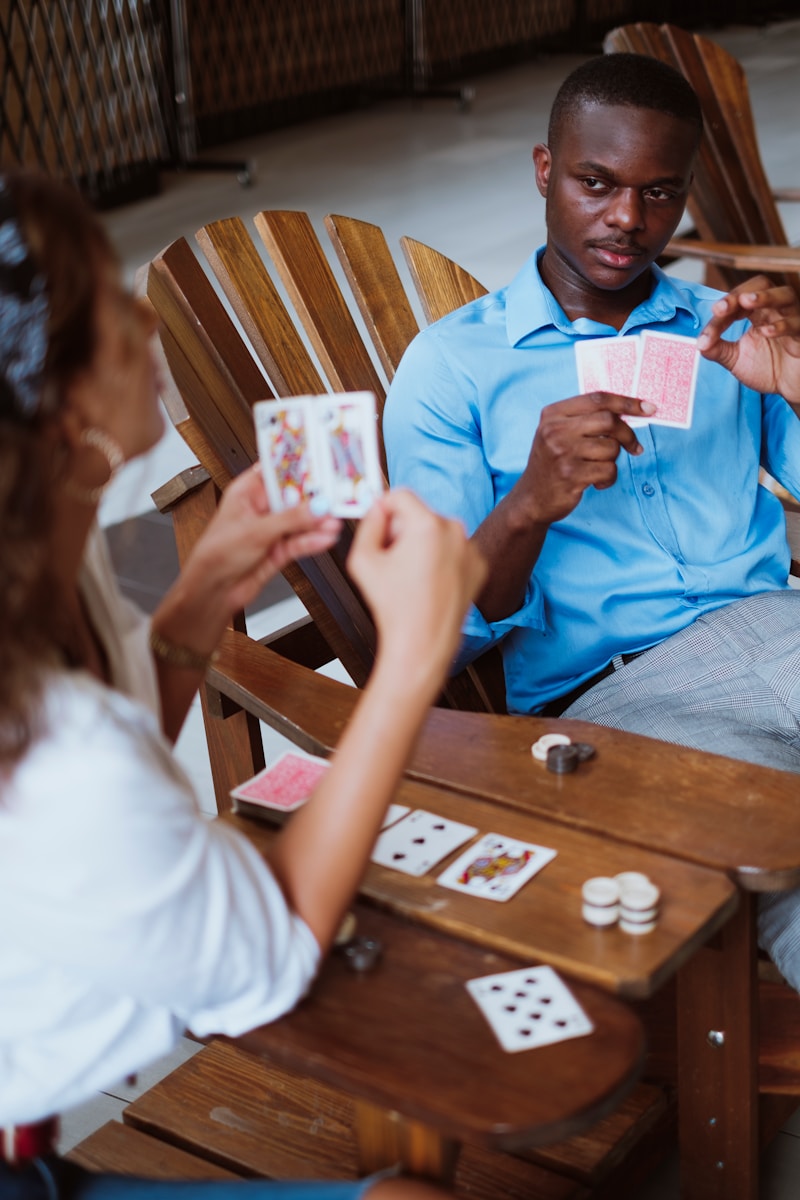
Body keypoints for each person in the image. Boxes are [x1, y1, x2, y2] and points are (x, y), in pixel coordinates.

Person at [0, 168, 486, 1200]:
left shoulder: (47, 564)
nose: (144, 316)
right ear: (66, 410)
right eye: (112, 306)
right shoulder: (67, 756)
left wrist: (213, 578)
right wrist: (409, 658)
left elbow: (113, 746)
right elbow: (275, 951)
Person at [383, 53, 800, 985]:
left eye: (659, 192)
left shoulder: (723, 331)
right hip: (619, 701)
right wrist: (530, 500)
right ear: (544, 170)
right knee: (785, 856)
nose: (628, 219)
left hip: (781, 627)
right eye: (597, 183)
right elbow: (430, 630)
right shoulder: (454, 368)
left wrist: (797, 385)